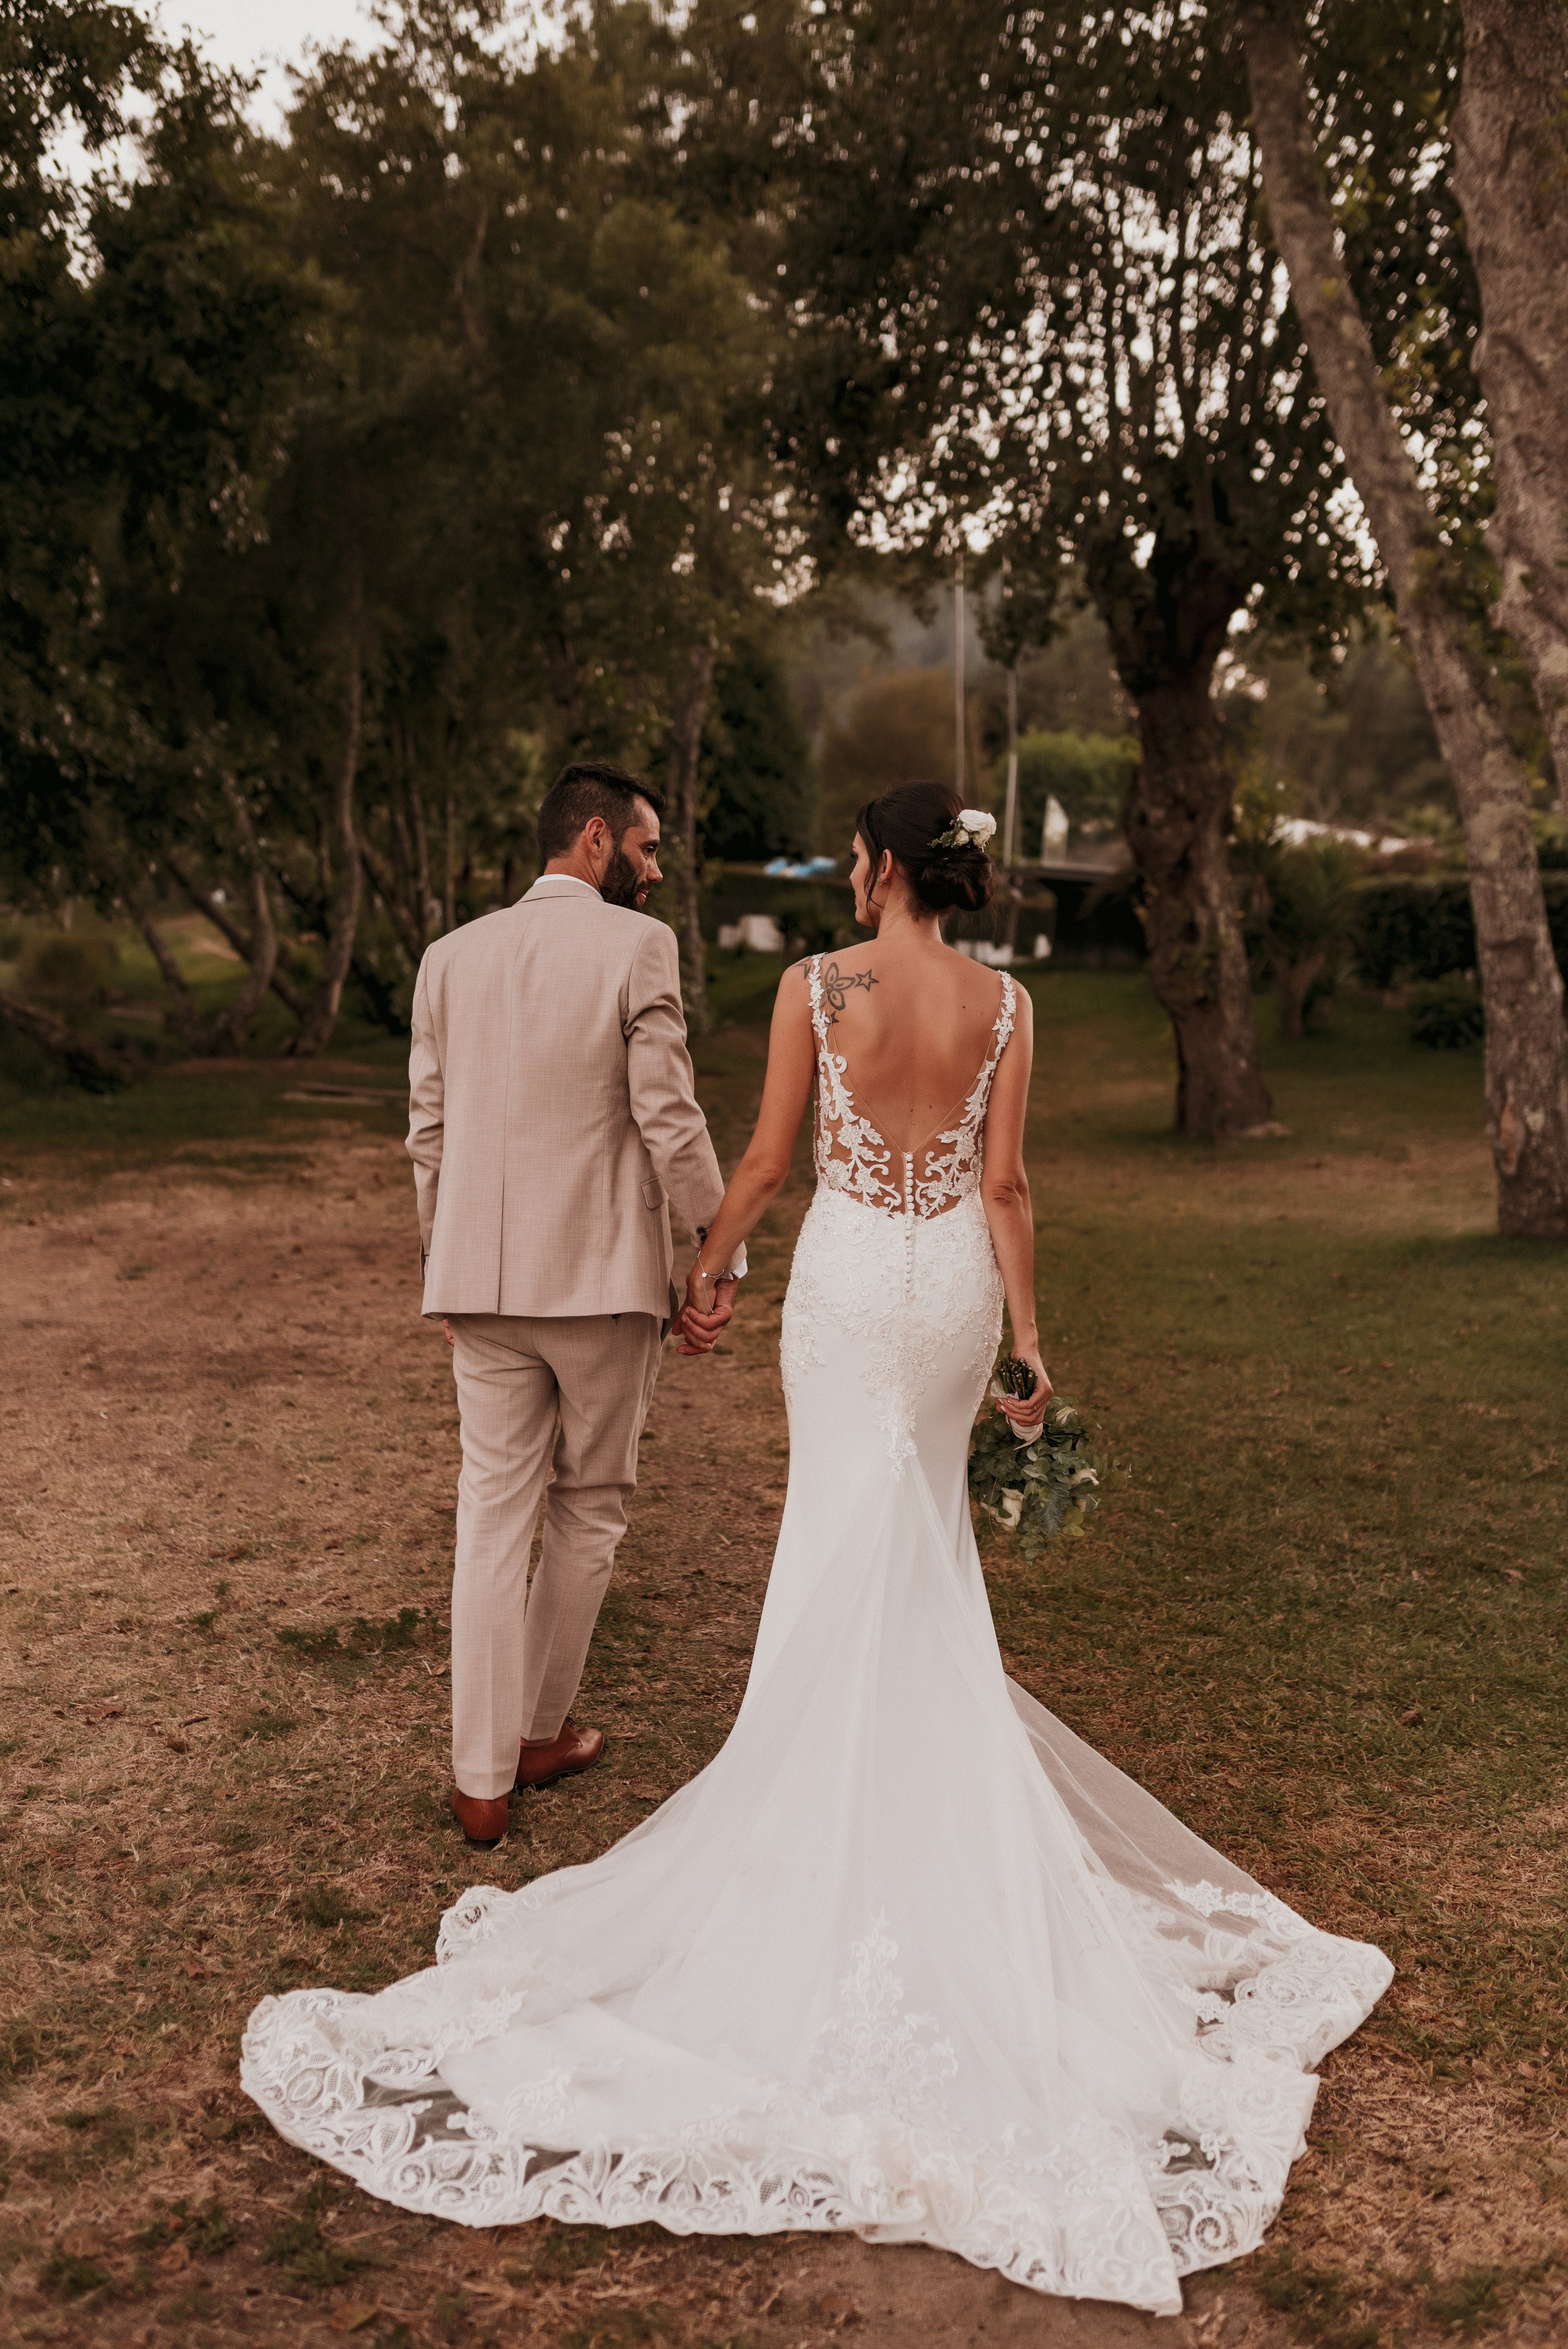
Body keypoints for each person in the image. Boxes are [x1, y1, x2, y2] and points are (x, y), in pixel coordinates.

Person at [244, 781, 1390, 2315]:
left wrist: (705, 1275)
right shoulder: (1008, 1003)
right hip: (950, 1302)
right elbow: (1005, 1184)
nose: (847, 877)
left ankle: (806, 1820)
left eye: (854, 856)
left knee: (837, 1536)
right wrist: (1028, 1348)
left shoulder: (816, 986)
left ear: (880, 864)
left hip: (850, 1290)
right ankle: (919, 1808)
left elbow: (770, 1161)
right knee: (914, 1542)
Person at [404, 760, 741, 1849]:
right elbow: (668, 1113)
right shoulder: (639, 946)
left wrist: (442, 1262)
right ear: (594, 840)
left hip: (482, 1285)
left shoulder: (448, 958)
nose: (652, 872)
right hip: (600, 1285)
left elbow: (428, 1136)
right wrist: (718, 1250)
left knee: (491, 1512)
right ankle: (538, 1733)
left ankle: (479, 1781)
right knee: (588, 1505)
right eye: (645, 850)